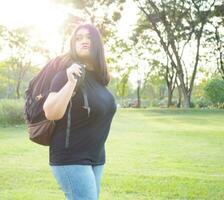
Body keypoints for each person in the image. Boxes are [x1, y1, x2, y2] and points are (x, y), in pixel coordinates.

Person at [43, 23, 117, 200]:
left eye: (89, 37)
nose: (84, 41)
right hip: (71, 157)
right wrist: (70, 83)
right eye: (79, 38)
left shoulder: (99, 79)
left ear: (97, 43)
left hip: (96, 157)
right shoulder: (66, 74)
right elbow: (51, 112)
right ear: (73, 44)